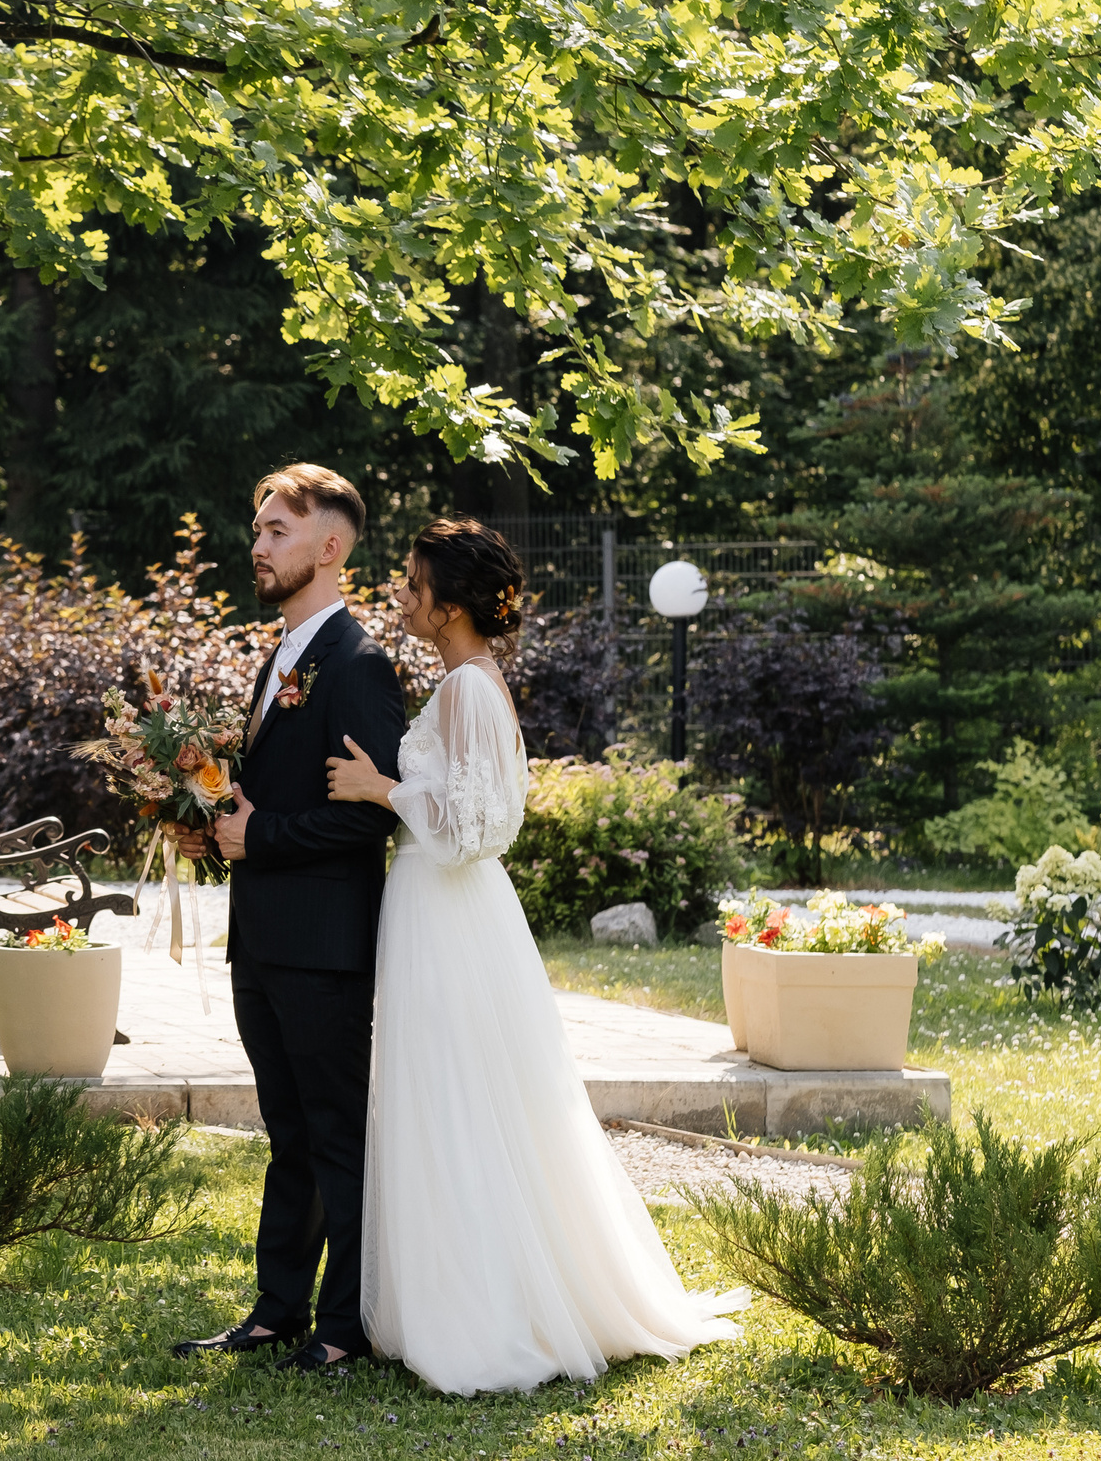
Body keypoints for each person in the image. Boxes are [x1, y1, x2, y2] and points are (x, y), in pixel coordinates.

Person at [321, 517, 744, 1395]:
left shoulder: (468, 690)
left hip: (449, 911)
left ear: (448, 606)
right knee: (458, 1095)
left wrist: (380, 787)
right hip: (442, 912)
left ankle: (483, 1311)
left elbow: (476, 829)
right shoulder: (467, 684)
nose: (401, 593)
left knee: (458, 1098)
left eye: (412, 582)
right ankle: (457, 1290)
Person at [170, 465, 407, 1373]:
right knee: (289, 1134)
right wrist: (212, 829)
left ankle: (345, 1326)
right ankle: (277, 1310)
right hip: (264, 941)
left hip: (324, 950)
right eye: (258, 527)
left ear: (329, 547)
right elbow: (266, 799)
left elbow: (368, 812)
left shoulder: (357, 665)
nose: (258, 543)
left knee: (336, 1137)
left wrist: (258, 836)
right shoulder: (278, 659)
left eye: (276, 530)